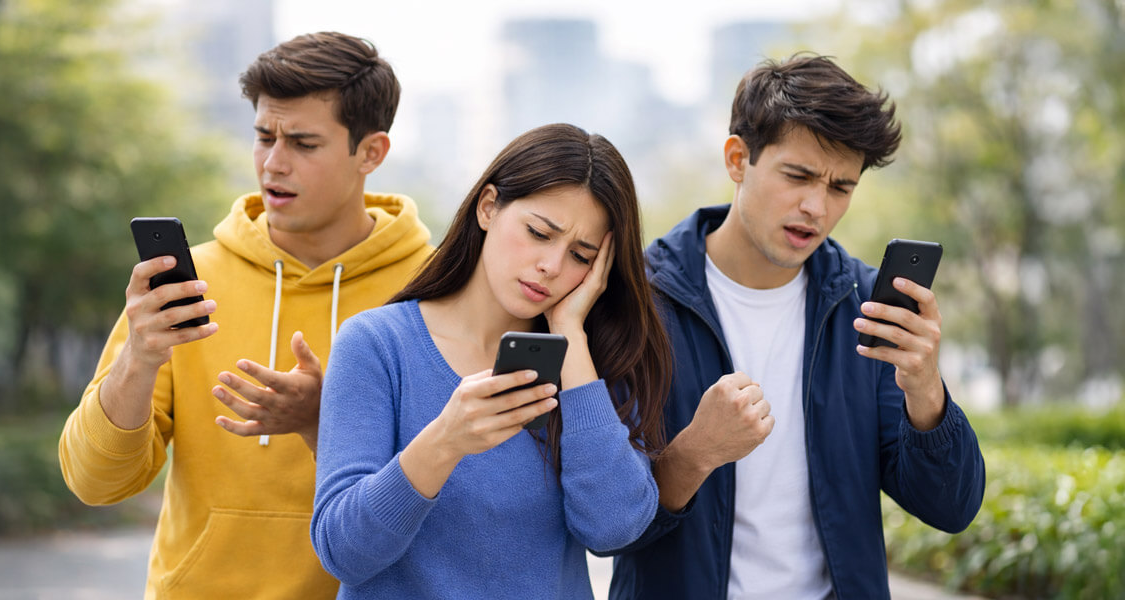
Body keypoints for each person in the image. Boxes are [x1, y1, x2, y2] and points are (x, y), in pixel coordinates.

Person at [58, 32, 432, 599]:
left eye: (303, 143)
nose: (273, 163)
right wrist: (138, 357)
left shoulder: (432, 289)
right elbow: (95, 482)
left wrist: (323, 420)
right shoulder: (189, 282)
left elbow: (459, 485)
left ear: (371, 153)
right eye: (263, 137)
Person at [606, 54, 986, 599]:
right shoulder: (640, 301)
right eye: (798, 176)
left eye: (840, 187)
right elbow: (608, 524)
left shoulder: (865, 307)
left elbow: (951, 508)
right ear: (738, 159)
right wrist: (696, 452)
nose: (816, 207)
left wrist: (926, 389)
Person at [309, 123, 672, 599]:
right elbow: (343, 552)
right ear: (487, 207)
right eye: (539, 233)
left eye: (581, 256)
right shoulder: (377, 344)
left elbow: (613, 528)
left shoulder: (590, 364)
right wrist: (445, 441)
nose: (552, 266)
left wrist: (570, 335)